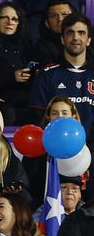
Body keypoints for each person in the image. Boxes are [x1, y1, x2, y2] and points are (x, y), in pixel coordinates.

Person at [30, 13, 94, 146]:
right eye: (70, 33)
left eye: (81, 33)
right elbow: (39, 118)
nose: (76, 37)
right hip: (58, 147)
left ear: (88, 40)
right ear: (62, 39)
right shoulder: (47, 74)